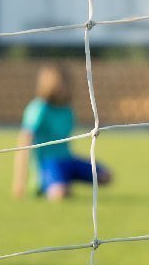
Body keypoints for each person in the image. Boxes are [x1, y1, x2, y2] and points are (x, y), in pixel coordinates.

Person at [12, 66, 113, 201]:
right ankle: (45, 184)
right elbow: (24, 140)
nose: (65, 87)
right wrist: (20, 180)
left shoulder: (68, 110)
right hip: (48, 164)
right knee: (59, 194)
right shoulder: (39, 108)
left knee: (106, 176)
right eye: (60, 83)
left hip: (68, 159)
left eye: (67, 82)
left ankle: (65, 180)